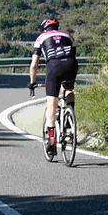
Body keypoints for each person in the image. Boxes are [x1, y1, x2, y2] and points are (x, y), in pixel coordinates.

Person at [28, 17, 78, 156]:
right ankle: (70, 113)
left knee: (51, 104)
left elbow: (34, 65)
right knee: (68, 89)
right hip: (71, 64)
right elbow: (72, 54)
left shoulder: (41, 38)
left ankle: (51, 141)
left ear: (45, 28)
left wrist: (32, 83)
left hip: (54, 66)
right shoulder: (68, 35)